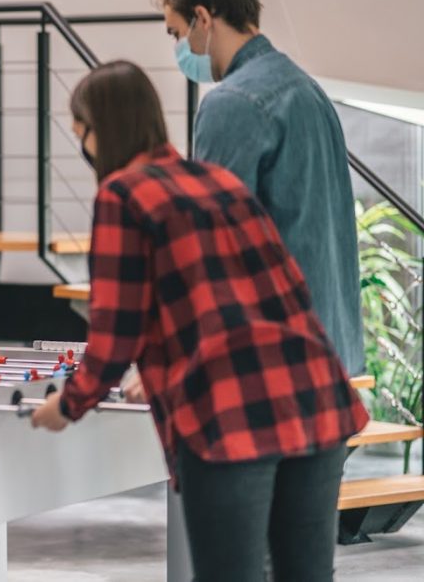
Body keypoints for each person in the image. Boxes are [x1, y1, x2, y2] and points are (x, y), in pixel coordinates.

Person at [31, 61, 368, 582]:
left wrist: (68, 405)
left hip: (230, 416)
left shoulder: (123, 196)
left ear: (105, 126)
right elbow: (284, 292)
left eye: (84, 136)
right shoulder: (218, 182)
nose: (86, 152)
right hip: (315, 399)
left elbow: (115, 334)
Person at [159, 0, 363, 375]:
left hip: (277, 366)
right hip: (335, 354)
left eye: (177, 33)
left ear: (202, 18)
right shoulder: (308, 90)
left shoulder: (232, 102)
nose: (181, 49)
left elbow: (214, 246)